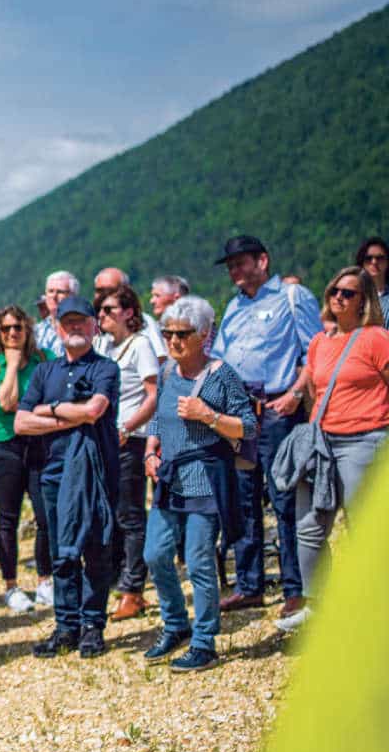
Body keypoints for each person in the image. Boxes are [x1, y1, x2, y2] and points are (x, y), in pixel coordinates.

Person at [208, 235, 324, 617]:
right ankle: (249, 584)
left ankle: (296, 586)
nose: (234, 272)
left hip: (277, 410)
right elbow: (221, 359)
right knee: (243, 500)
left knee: (285, 498)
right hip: (241, 414)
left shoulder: (293, 298)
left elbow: (314, 352)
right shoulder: (234, 307)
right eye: (230, 267)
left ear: (262, 260)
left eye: (240, 263)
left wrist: (293, 394)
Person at [142, 296, 257, 671]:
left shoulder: (221, 374)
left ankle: (204, 641)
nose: (173, 341)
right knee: (155, 554)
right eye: (168, 333)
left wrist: (207, 415)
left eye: (182, 334)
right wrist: (151, 449)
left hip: (206, 478)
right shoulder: (166, 373)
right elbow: (159, 416)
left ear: (204, 335)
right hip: (170, 476)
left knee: (199, 562)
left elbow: (250, 427)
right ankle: (176, 625)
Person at [278, 266, 389, 632]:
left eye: (349, 293)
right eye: (335, 291)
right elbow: (314, 385)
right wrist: (295, 399)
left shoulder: (375, 338)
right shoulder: (319, 342)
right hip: (323, 441)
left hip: (366, 440)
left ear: (364, 301)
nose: (338, 297)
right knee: (309, 525)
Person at [15, 296, 121, 658]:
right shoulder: (46, 372)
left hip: (96, 471)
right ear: (58, 328)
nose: (75, 328)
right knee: (61, 552)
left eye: (81, 321)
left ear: (94, 326)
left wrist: (52, 408)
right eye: (68, 322)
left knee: (95, 548)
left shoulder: (106, 368)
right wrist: (69, 414)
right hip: (53, 472)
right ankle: (66, 626)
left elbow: (94, 412)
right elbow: (20, 421)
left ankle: (93, 625)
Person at [0, 305, 55, 613]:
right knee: (8, 519)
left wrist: (30, 406)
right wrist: (10, 367)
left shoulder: (44, 359)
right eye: (5, 329)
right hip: (1, 446)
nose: (12, 334)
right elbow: (5, 403)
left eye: (18, 328)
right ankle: (11, 587)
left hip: (37, 444)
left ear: (28, 330)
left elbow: (52, 401)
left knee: (45, 517)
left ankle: (45, 582)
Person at [93, 285, 159, 621]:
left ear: (129, 312)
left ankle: (134, 589)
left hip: (129, 439)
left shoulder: (141, 345)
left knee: (131, 515)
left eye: (109, 309)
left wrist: (128, 428)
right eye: (100, 310)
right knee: (112, 515)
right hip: (107, 438)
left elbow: (153, 394)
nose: (102, 315)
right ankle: (120, 582)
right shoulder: (104, 345)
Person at [94, 268, 167, 361]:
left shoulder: (145, 322)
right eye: (99, 290)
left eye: (109, 290)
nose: (102, 295)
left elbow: (160, 358)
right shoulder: (93, 321)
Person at [34, 271, 80, 356]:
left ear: (73, 296)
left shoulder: (85, 328)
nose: (54, 296)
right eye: (50, 291)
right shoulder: (36, 331)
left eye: (60, 292)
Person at [354, 236, 389, 310]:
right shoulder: (350, 296)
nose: (374, 262)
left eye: (380, 258)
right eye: (368, 258)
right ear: (361, 262)